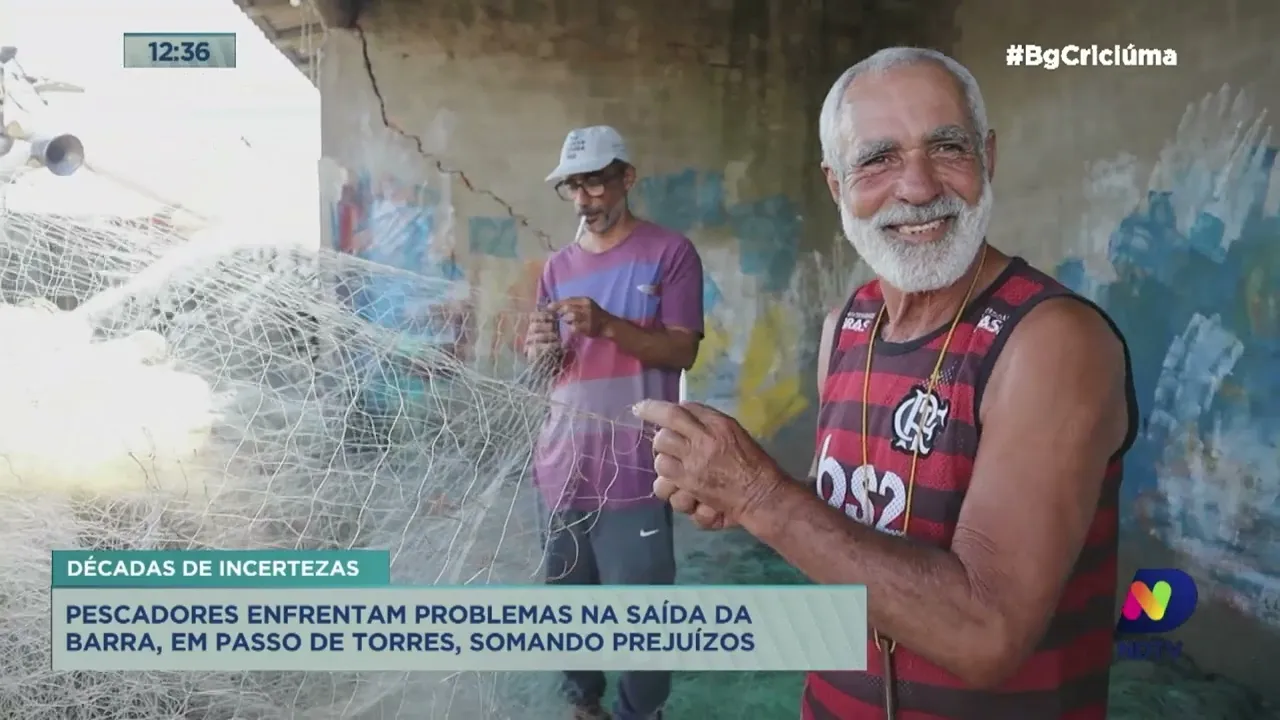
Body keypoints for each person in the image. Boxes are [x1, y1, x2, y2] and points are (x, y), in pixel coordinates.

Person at [633, 47, 1138, 719]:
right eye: (878, 159)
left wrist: (761, 495)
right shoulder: (848, 325)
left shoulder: (1048, 341)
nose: (919, 187)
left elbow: (988, 633)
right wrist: (745, 502)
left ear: (988, 158)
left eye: (947, 148)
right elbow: (860, 521)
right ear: (837, 184)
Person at [524, 125, 705, 720]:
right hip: (563, 467)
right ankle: (585, 704)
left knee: (643, 613)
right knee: (568, 606)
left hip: (635, 469)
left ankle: (638, 711)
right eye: (574, 187)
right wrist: (541, 348)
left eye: (597, 182)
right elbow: (553, 368)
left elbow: (682, 352)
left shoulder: (669, 254)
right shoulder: (557, 267)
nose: (585, 199)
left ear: (627, 178)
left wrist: (608, 326)